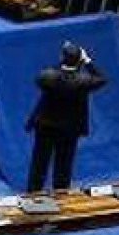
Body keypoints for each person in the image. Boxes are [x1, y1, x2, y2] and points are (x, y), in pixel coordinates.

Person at [26, 41, 107, 192]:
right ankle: (61, 196)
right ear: (79, 61)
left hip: (46, 126)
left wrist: (65, 61)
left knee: (39, 163)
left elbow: (44, 76)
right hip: (69, 130)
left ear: (62, 58)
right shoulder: (83, 81)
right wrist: (87, 61)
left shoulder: (48, 77)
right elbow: (101, 78)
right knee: (64, 165)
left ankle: (32, 193)